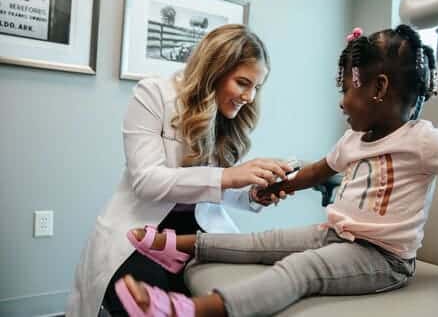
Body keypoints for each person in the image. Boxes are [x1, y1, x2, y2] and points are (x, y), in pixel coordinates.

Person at [114, 24, 438, 317]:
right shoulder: (354, 139)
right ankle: (173, 245)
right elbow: (316, 172)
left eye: (346, 90)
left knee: (300, 268)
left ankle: (193, 310)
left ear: (378, 88)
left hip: (383, 259)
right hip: (337, 235)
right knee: (265, 241)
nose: (341, 103)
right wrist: (275, 186)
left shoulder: (423, 140)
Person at [65, 24, 294, 317]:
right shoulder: (153, 95)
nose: (249, 96)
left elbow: (213, 192)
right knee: (146, 307)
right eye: (242, 83)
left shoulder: (227, 116)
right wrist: (227, 176)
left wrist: (252, 193)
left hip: (197, 233)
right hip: (139, 233)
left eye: (256, 87)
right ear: (214, 70)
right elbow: (146, 181)